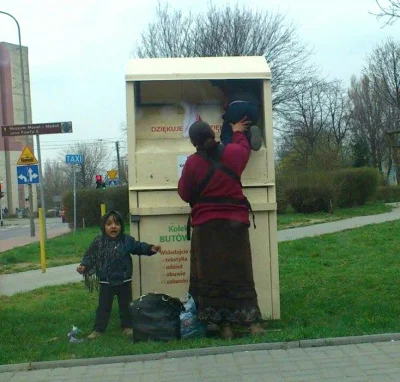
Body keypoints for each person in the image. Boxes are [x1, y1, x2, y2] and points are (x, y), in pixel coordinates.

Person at [178, 120, 266, 340]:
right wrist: (237, 132)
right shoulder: (233, 153)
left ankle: (224, 326)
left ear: (193, 142)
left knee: (214, 277)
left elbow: (185, 193)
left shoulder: (192, 163)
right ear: (214, 133)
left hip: (207, 227)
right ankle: (253, 323)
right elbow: (245, 148)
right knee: (241, 273)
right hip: (235, 224)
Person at [77, 210, 161, 340]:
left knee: (126, 306)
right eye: (109, 224)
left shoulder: (127, 240)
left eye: (116, 223)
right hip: (106, 282)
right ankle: (98, 329)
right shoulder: (98, 242)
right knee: (103, 308)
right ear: (103, 227)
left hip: (124, 281)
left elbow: (138, 247)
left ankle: (127, 327)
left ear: (121, 226)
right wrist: (84, 265)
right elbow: (89, 255)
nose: (113, 227)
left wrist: (150, 249)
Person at [212, 80, 263, 151]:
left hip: (236, 105)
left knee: (226, 133)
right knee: (248, 127)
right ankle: (250, 137)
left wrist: (226, 117)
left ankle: (230, 147)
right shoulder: (253, 81)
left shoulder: (229, 83)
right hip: (253, 105)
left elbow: (225, 104)